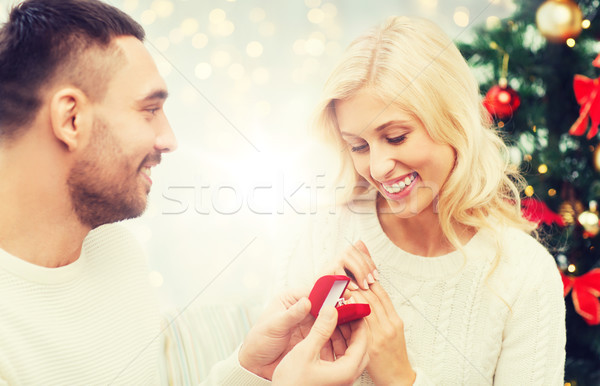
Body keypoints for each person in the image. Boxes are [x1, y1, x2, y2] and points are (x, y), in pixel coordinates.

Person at [0, 0, 368, 384]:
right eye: (149, 110)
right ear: (71, 119)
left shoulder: (116, 252)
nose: (169, 139)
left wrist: (252, 371)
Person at [275, 16, 566, 385]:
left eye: (396, 137)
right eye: (358, 146)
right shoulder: (320, 234)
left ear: (454, 122)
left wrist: (402, 379)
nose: (378, 168)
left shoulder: (524, 274)